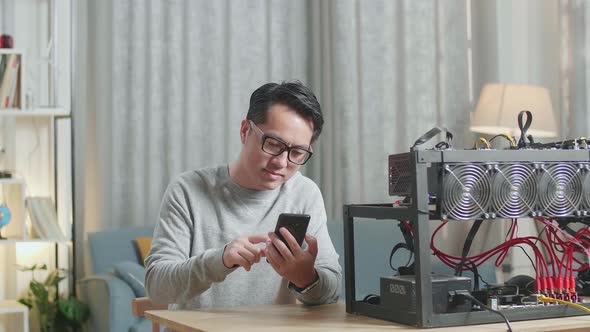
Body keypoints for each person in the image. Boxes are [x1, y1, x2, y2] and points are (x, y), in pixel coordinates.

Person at [145, 80, 342, 309]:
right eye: (273, 143)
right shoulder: (187, 190)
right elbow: (157, 288)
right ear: (245, 131)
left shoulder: (304, 194)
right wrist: (220, 260)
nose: (280, 162)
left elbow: (333, 290)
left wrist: (305, 279)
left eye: (296, 152)